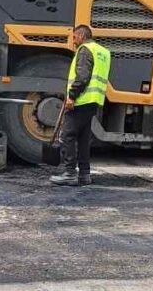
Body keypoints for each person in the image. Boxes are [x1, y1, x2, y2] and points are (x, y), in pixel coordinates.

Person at [51, 25, 111, 187]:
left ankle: (70, 173)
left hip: (81, 99)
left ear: (82, 35)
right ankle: (84, 174)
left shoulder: (85, 50)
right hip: (94, 100)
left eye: (75, 37)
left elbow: (83, 76)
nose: (73, 41)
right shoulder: (103, 52)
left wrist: (72, 96)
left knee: (67, 135)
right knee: (83, 138)